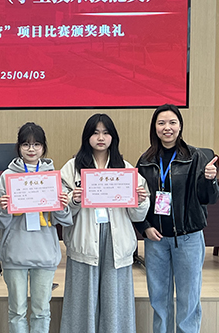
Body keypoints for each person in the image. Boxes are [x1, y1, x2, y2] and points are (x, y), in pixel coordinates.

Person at [59, 114, 149, 333]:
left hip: (116, 240)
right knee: (81, 302)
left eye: (106, 133)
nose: (101, 138)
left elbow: (137, 215)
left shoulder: (125, 169)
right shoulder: (71, 168)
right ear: (87, 136)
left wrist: (140, 201)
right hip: (84, 239)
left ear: (113, 137)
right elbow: (61, 211)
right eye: (95, 132)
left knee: (115, 302)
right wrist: (73, 200)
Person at [134, 104, 219, 333]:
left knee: (188, 299)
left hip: (188, 238)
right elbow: (137, 199)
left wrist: (210, 179)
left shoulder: (195, 157)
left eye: (172, 122)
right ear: (154, 127)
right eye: (161, 123)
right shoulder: (145, 160)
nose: (167, 128)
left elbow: (209, 198)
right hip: (156, 239)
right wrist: (145, 227)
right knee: (159, 299)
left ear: (180, 126)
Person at [0, 122, 72, 333]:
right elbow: (1, 222)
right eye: (26, 144)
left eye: (37, 144)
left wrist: (62, 205)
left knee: (41, 311)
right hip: (15, 252)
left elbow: (64, 219)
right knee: (17, 311)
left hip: (45, 252)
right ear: (19, 147)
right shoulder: (7, 176)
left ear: (43, 147)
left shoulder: (53, 177)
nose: (31, 149)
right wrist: (3, 208)